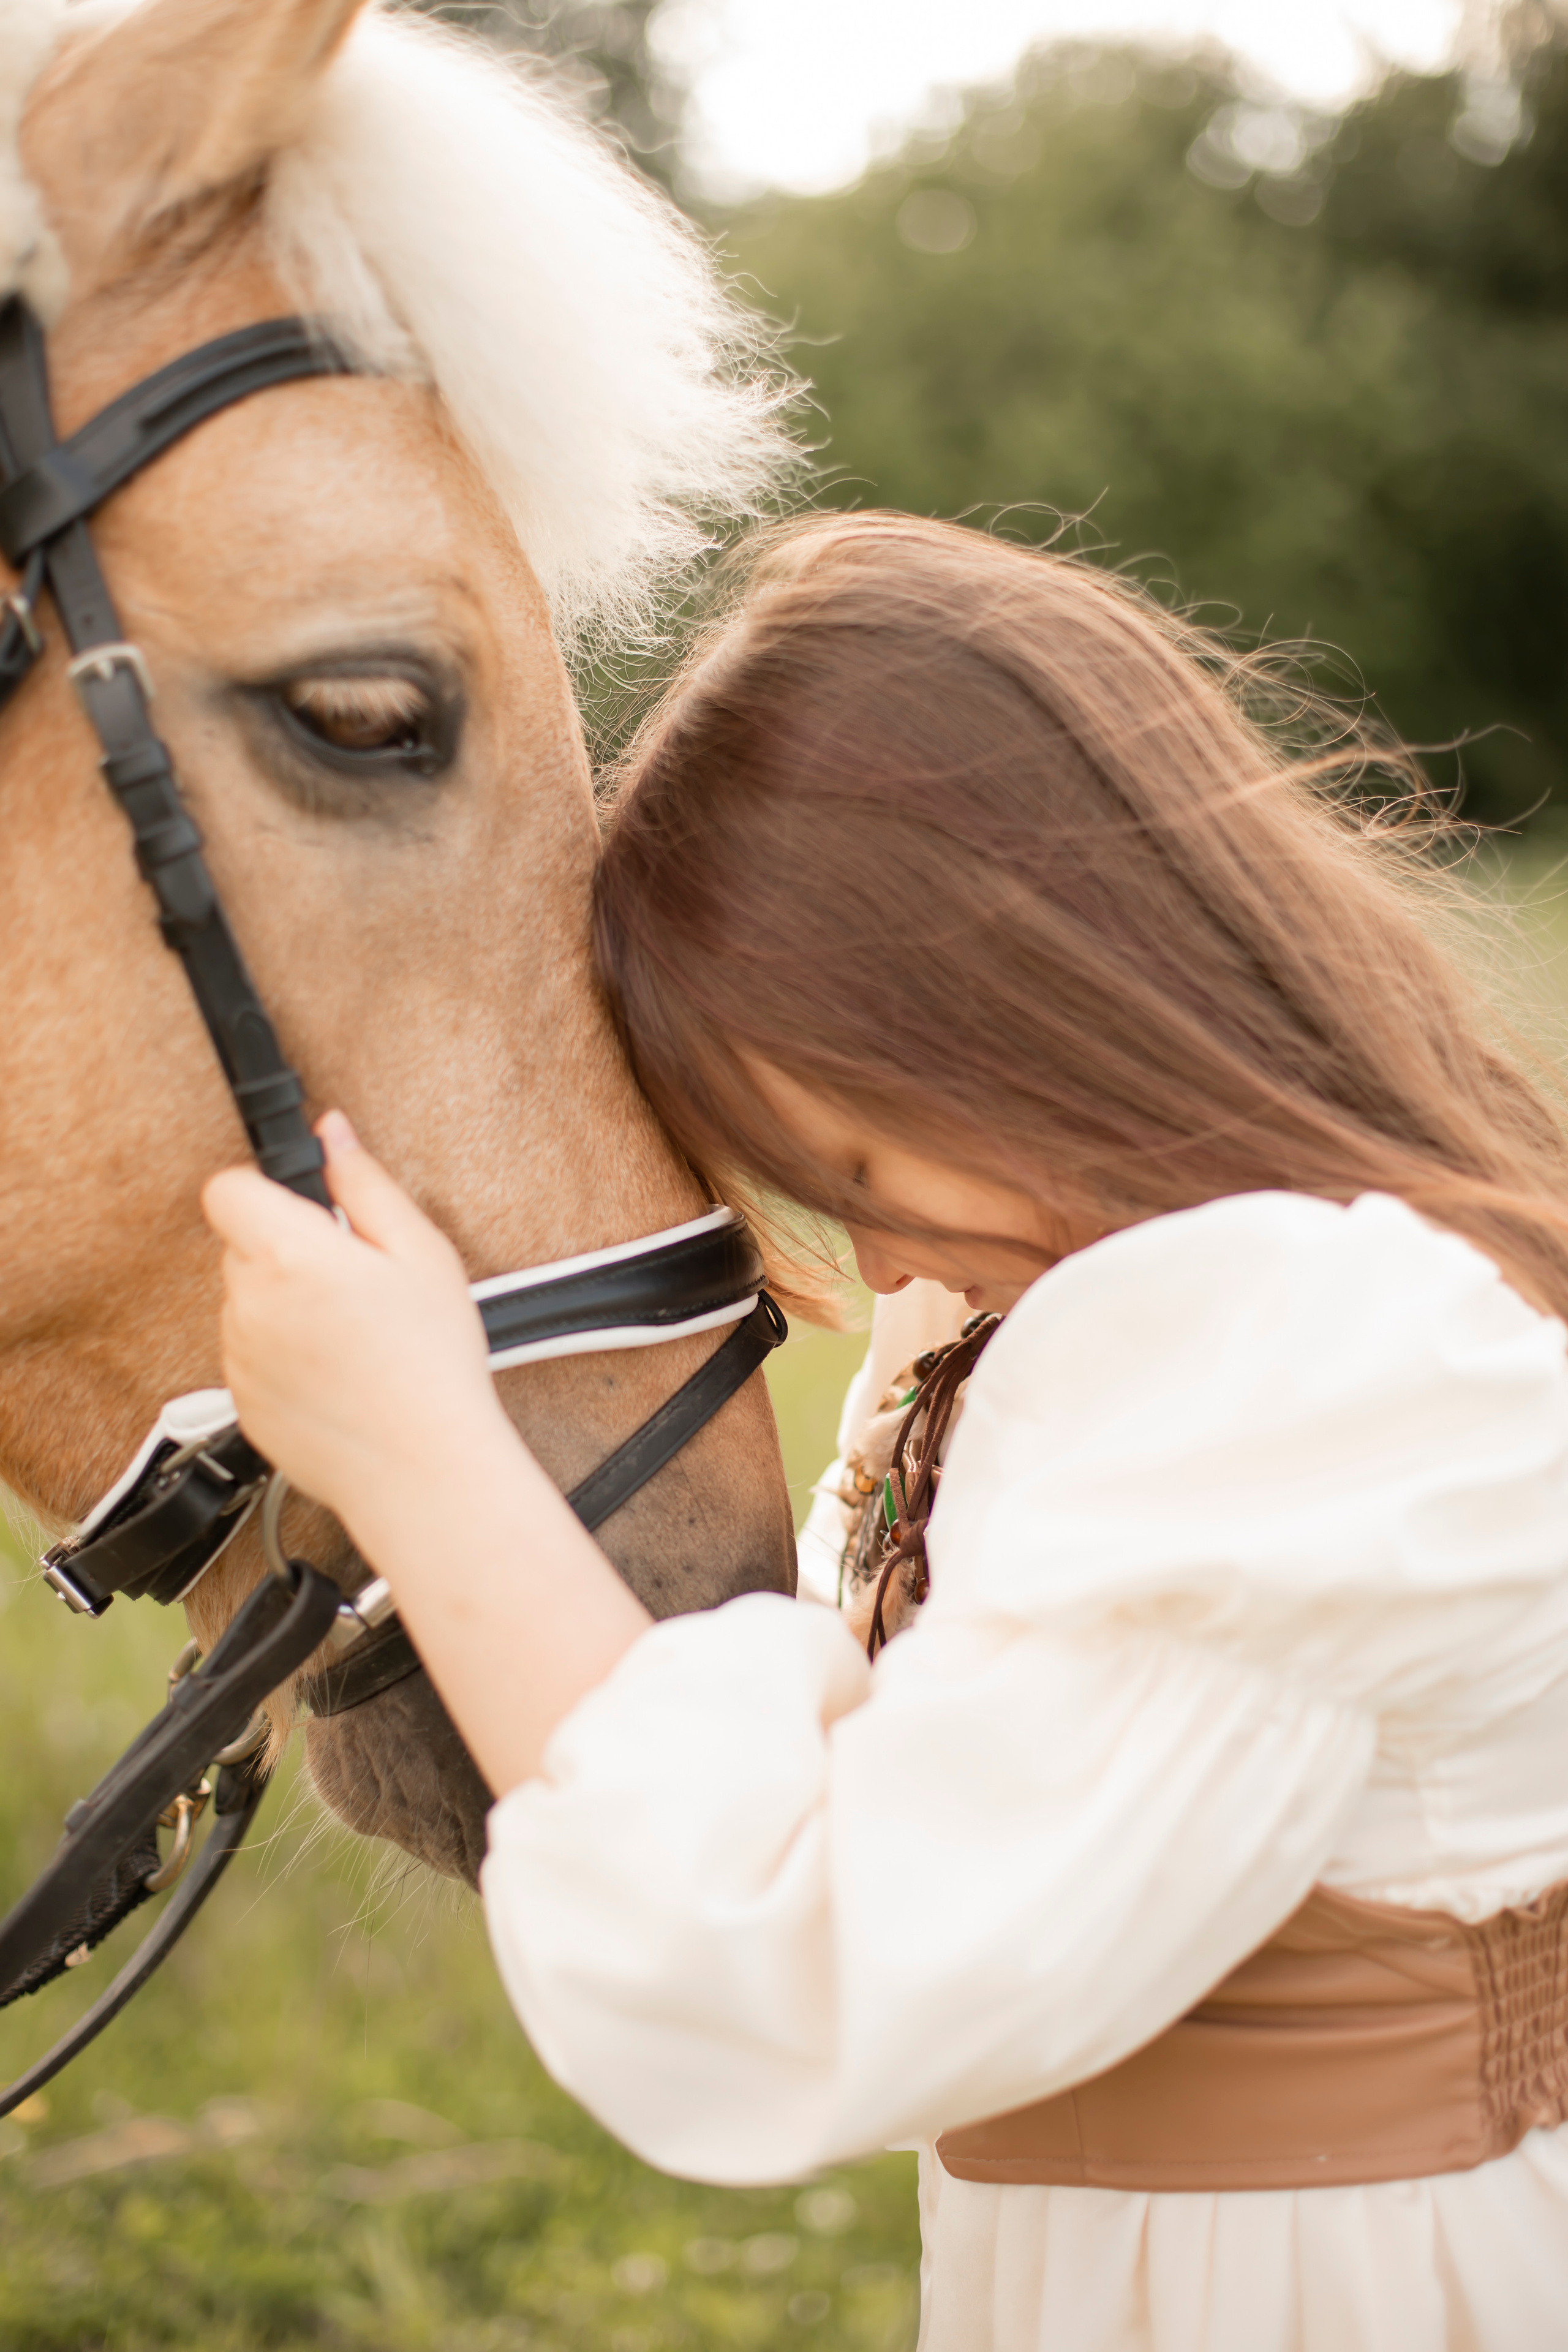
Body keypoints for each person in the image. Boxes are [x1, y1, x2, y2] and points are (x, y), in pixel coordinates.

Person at [205, 514, 1568, 2352]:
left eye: (853, 1165)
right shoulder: (1159, 1319)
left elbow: (799, 1970)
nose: (890, 1258)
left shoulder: (1294, 1348)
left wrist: (420, 1452)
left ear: (1029, 1008)